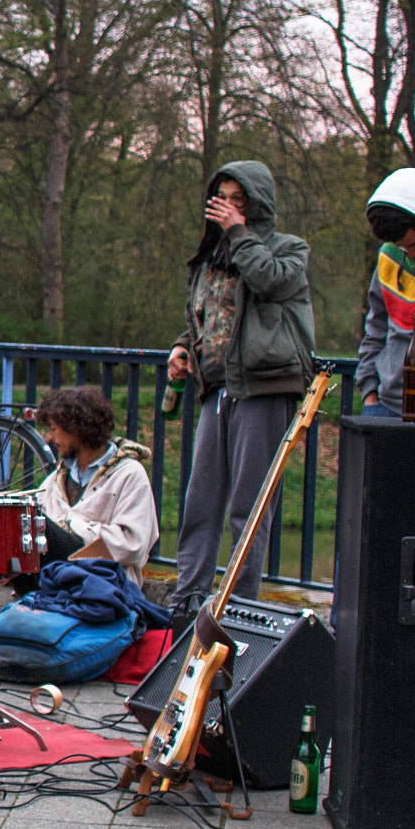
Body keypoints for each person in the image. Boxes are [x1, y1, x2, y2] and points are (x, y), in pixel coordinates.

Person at [166, 161, 314, 615]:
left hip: (266, 389)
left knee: (248, 509)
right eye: (222, 197)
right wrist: (181, 347)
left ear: (256, 204)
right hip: (217, 388)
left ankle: (239, 606)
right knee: (200, 503)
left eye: (238, 198)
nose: (227, 206)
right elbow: (206, 316)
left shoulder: (289, 249)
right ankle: (187, 600)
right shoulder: (209, 258)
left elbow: (267, 279)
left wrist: (238, 233)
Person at [32, 385, 158, 586]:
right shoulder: (59, 477)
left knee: (45, 529)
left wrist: (71, 527)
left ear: (76, 429)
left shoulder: (130, 474)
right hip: (58, 583)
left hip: (106, 586)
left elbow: (134, 545)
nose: (49, 438)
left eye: (54, 429)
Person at [356, 167, 415, 418]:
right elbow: (376, 327)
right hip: (385, 405)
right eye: (402, 248)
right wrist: (369, 390)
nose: (410, 254)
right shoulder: (388, 258)